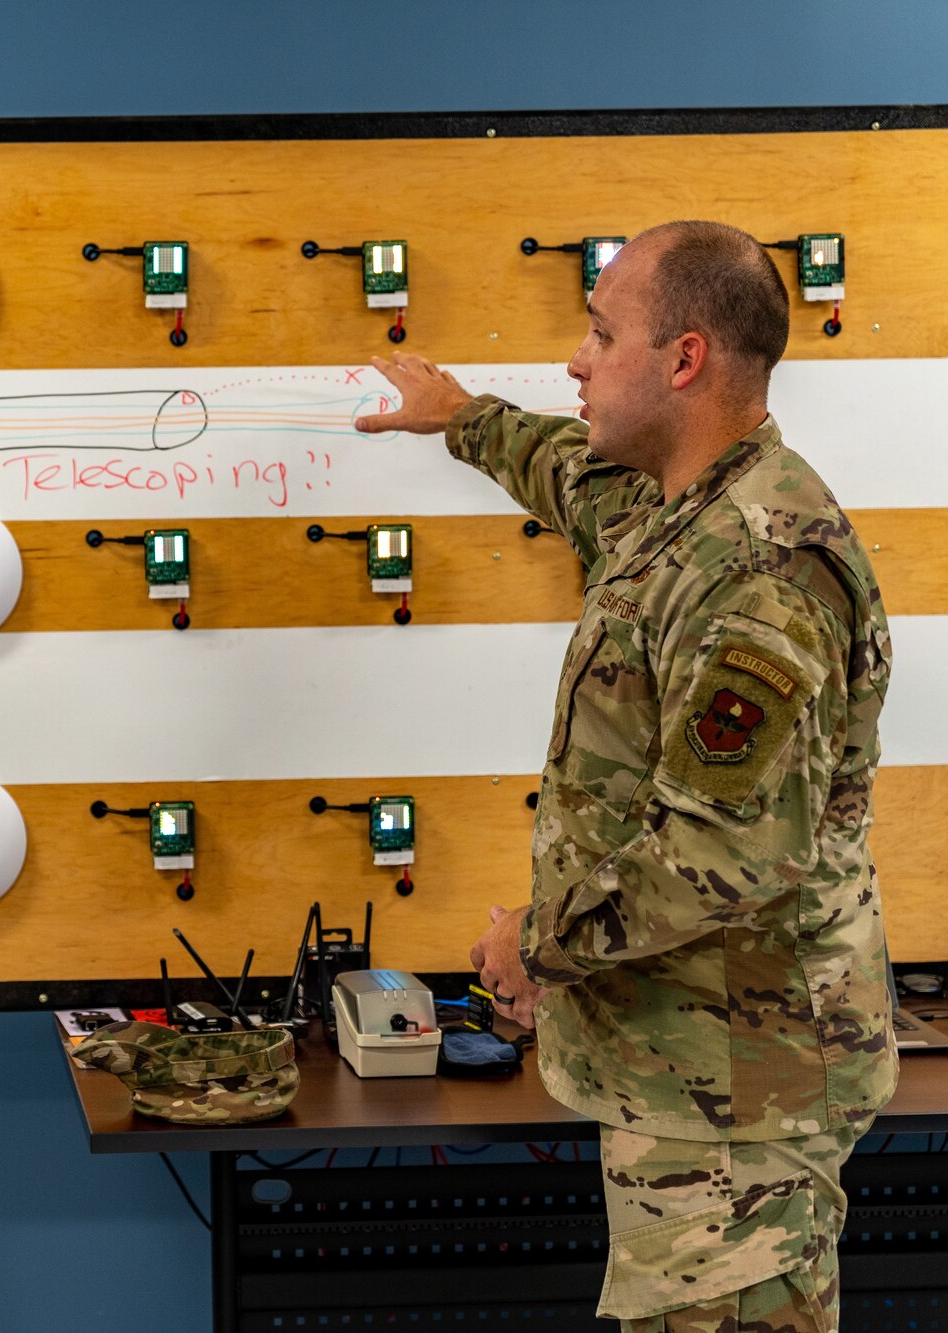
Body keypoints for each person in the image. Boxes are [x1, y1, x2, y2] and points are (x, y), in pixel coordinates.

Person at [356, 221, 894, 1333]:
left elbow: (716, 855)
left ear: (683, 358)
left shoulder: (758, 570)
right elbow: (565, 473)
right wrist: (458, 418)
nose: (574, 359)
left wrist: (534, 941)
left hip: (743, 1100)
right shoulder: (668, 504)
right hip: (684, 1070)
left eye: (599, 333)